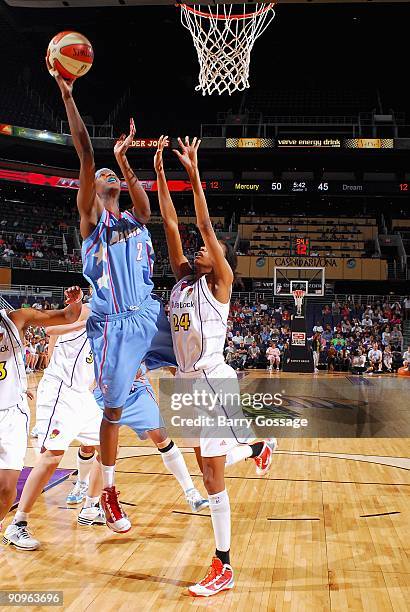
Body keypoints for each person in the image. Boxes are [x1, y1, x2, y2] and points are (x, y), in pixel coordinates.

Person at [51, 71, 176, 533]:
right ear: (92, 189)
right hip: (115, 325)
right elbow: (85, 152)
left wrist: (124, 162)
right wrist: (68, 95)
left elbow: (147, 210)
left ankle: (245, 443)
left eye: (112, 176)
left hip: (148, 312)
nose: (107, 176)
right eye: (103, 174)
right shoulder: (91, 222)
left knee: (199, 361)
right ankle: (107, 492)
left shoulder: (134, 218)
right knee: (114, 410)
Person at [155, 135, 276, 598]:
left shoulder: (219, 282)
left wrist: (193, 173)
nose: (199, 248)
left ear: (218, 256)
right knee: (210, 465)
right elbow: (169, 222)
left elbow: (203, 223)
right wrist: (162, 176)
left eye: (208, 247)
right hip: (188, 384)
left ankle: (223, 564)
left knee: (210, 476)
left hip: (213, 382)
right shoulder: (184, 281)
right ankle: (258, 448)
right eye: (199, 248)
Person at [3, 303, 104, 550]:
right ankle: (19, 522)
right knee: (51, 457)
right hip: (61, 391)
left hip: (82, 394)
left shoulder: (116, 316)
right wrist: (84, 321)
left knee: (108, 448)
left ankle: (91, 505)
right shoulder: (90, 311)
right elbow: (52, 330)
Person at [0, 286, 82, 531]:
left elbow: (68, 316)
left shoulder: (17, 319)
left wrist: (74, 302)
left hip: (12, 414)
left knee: (6, 488)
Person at [93, 365, 208, 514]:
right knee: (101, 449)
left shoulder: (142, 341)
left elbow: (163, 360)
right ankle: (91, 503)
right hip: (104, 394)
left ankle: (191, 492)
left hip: (136, 392)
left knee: (160, 436)